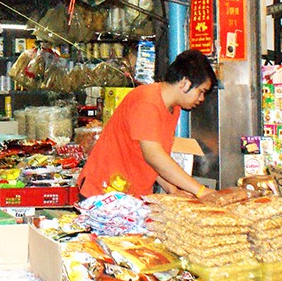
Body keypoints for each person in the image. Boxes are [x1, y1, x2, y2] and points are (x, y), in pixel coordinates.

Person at [77, 49, 220, 200]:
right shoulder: (147, 102)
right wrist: (200, 191)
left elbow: (150, 155)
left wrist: (172, 190)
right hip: (103, 194)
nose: (201, 98)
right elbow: (154, 156)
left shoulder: (172, 107)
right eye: (201, 91)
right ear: (185, 83)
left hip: (129, 197)